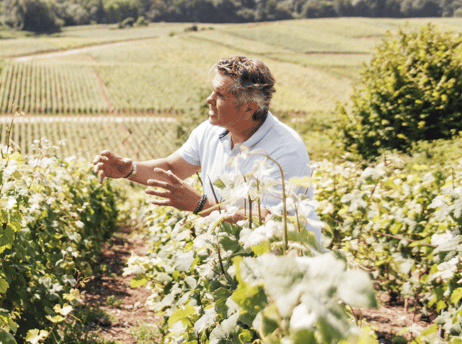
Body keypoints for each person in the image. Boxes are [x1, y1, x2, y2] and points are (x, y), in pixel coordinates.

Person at [93, 56, 321, 244]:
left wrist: (199, 204)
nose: (208, 100)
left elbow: (271, 225)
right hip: (234, 259)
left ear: (248, 108)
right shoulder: (209, 132)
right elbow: (172, 168)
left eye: (220, 95)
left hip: (285, 270)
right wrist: (130, 169)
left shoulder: (285, 151)